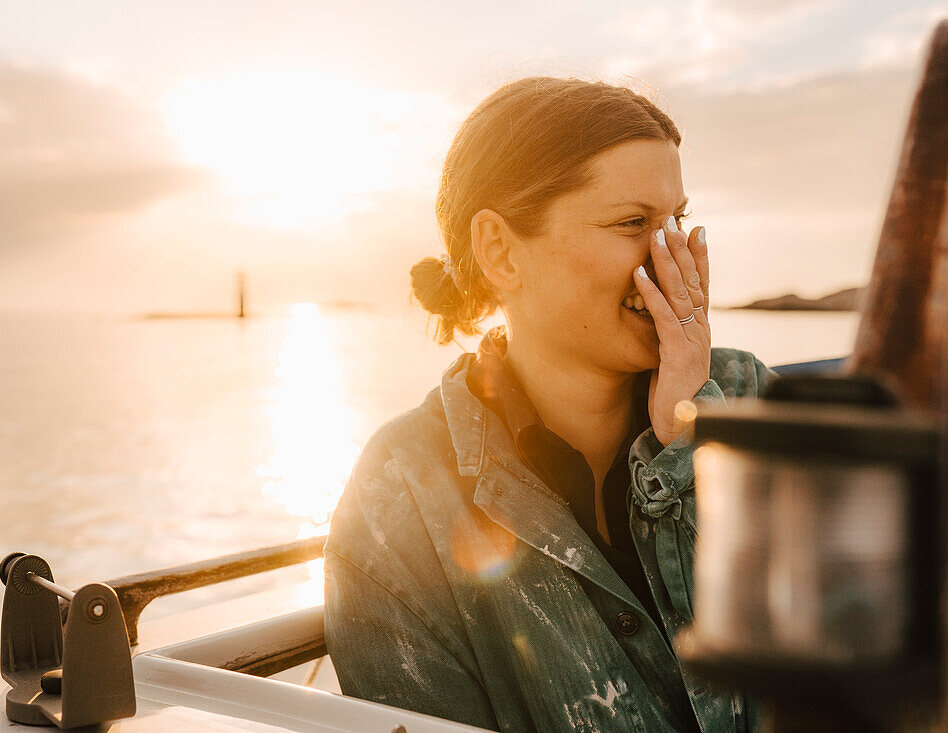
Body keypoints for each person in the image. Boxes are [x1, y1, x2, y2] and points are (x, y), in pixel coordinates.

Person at [323, 77, 774, 732]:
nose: (673, 254)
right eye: (633, 223)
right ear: (501, 251)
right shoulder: (399, 498)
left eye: (677, 219)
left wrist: (692, 451)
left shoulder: (749, 399)